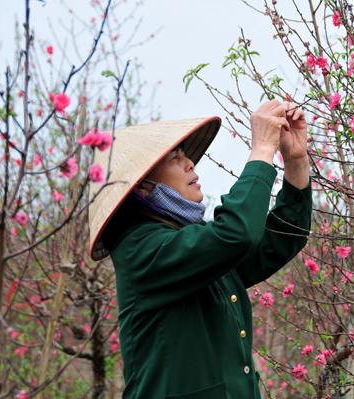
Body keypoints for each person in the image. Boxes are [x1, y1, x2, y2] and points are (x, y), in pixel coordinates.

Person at [88, 99, 312, 399]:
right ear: (141, 186)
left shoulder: (192, 244)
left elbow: (282, 237)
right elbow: (237, 233)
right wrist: (261, 150)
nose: (190, 163)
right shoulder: (141, 248)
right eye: (174, 157)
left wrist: (295, 159)